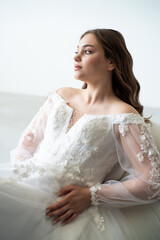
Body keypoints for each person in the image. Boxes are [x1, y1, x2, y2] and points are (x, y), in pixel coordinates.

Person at [0, 28, 160, 240]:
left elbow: (152, 181)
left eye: (87, 51)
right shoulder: (60, 96)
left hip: (62, 206)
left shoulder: (123, 115)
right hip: (24, 184)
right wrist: (24, 176)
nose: (76, 56)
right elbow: (26, 146)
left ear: (110, 62)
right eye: (76, 51)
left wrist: (90, 195)